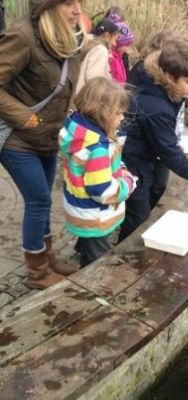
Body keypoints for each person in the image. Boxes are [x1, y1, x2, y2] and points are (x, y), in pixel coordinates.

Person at [0, 0, 85, 289]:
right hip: (17, 137)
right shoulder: (23, 36)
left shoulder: (69, 39)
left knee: (43, 198)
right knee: (38, 200)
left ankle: (47, 258)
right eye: (68, 3)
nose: (77, 10)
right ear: (47, 5)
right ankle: (37, 273)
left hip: (48, 136)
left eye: (81, 2)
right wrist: (24, 117)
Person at [118, 31, 188, 243]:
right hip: (132, 161)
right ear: (168, 77)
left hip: (143, 154)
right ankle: (120, 257)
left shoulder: (156, 80)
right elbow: (174, 158)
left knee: (146, 201)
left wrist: (182, 98)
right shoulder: (157, 109)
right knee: (138, 217)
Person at [59, 77, 137, 268]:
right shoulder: (97, 148)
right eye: (119, 114)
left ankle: (81, 247)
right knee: (97, 260)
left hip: (79, 207)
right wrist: (129, 183)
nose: (122, 118)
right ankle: (87, 285)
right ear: (103, 114)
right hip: (95, 217)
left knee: (88, 241)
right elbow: (103, 192)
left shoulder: (78, 130)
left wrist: (121, 168)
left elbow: (104, 165)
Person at [75, 18, 119, 94]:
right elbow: (94, 80)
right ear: (107, 35)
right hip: (86, 99)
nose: (115, 44)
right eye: (114, 39)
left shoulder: (87, 44)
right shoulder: (100, 50)